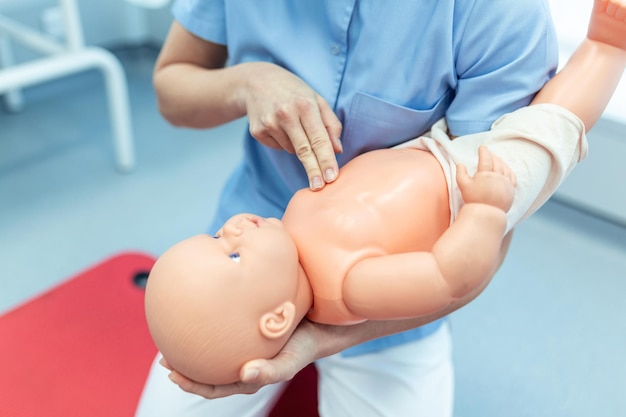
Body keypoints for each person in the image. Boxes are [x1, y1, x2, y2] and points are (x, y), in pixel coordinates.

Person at [134, 0, 621, 416]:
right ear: (277, 319)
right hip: (464, 191)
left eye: (221, 235)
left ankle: (605, 45)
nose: (232, 228)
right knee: (550, 129)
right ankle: (609, 47)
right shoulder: (348, 280)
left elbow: (464, 277)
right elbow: (450, 272)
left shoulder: (492, 13)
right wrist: (247, 82)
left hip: (397, 295)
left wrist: (319, 342)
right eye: (226, 247)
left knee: (535, 126)